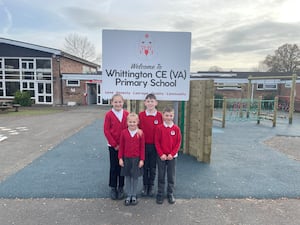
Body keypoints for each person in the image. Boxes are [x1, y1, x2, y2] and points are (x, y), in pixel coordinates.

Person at [103, 94, 129, 200]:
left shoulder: (126, 114)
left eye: (120, 102)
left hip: (124, 146)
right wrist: (114, 144)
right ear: (111, 102)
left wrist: (123, 145)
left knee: (122, 167)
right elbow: (106, 130)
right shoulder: (109, 115)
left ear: (123, 102)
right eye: (115, 102)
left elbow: (129, 129)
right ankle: (113, 187)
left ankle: (121, 187)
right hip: (113, 146)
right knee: (114, 167)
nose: (118, 104)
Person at [154, 106, 181, 204]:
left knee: (171, 176)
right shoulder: (159, 128)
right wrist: (161, 154)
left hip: (172, 157)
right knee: (161, 175)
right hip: (161, 157)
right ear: (163, 116)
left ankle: (170, 193)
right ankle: (160, 194)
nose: (169, 117)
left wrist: (172, 154)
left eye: (171, 115)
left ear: (173, 116)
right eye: (167, 115)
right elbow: (157, 142)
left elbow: (178, 143)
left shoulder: (176, 129)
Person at [138, 93, 162, 197]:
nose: (150, 103)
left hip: (155, 146)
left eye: (152, 101)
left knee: (153, 167)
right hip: (143, 145)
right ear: (145, 103)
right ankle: (145, 186)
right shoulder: (141, 115)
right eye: (148, 101)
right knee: (144, 167)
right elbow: (137, 129)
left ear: (156, 103)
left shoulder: (160, 116)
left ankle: (151, 186)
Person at [118, 113, 145, 206]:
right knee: (128, 177)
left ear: (137, 122)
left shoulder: (140, 133)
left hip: (136, 159)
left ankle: (134, 195)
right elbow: (121, 146)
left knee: (135, 177)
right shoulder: (124, 133)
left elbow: (142, 147)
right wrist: (120, 158)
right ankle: (128, 195)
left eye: (134, 122)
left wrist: (142, 159)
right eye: (130, 122)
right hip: (126, 159)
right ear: (127, 122)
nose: (132, 124)